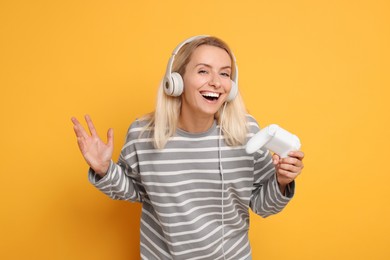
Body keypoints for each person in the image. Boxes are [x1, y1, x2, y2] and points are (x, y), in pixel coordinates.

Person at [71, 35, 305, 260]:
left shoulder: (246, 132)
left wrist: (282, 181)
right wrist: (104, 169)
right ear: (176, 81)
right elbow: (134, 191)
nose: (215, 81)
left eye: (225, 74)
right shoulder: (143, 135)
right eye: (203, 71)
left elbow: (264, 206)